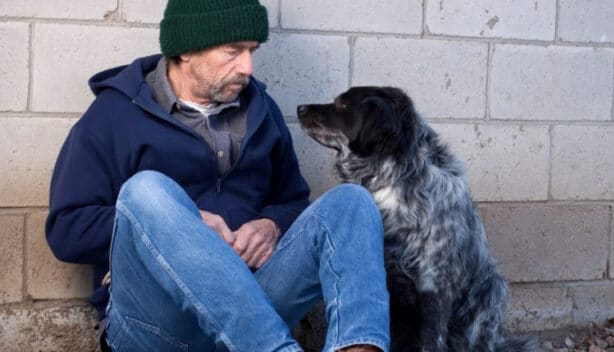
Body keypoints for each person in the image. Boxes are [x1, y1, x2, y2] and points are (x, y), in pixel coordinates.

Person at [45, 1, 390, 351]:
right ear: (187, 51)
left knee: (352, 203)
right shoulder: (115, 113)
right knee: (147, 191)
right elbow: (66, 229)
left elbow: (292, 201)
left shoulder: (261, 111)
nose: (248, 67)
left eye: (252, 51)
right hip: (156, 326)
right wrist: (179, 224)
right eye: (233, 51)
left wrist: (271, 225)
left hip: (253, 307)